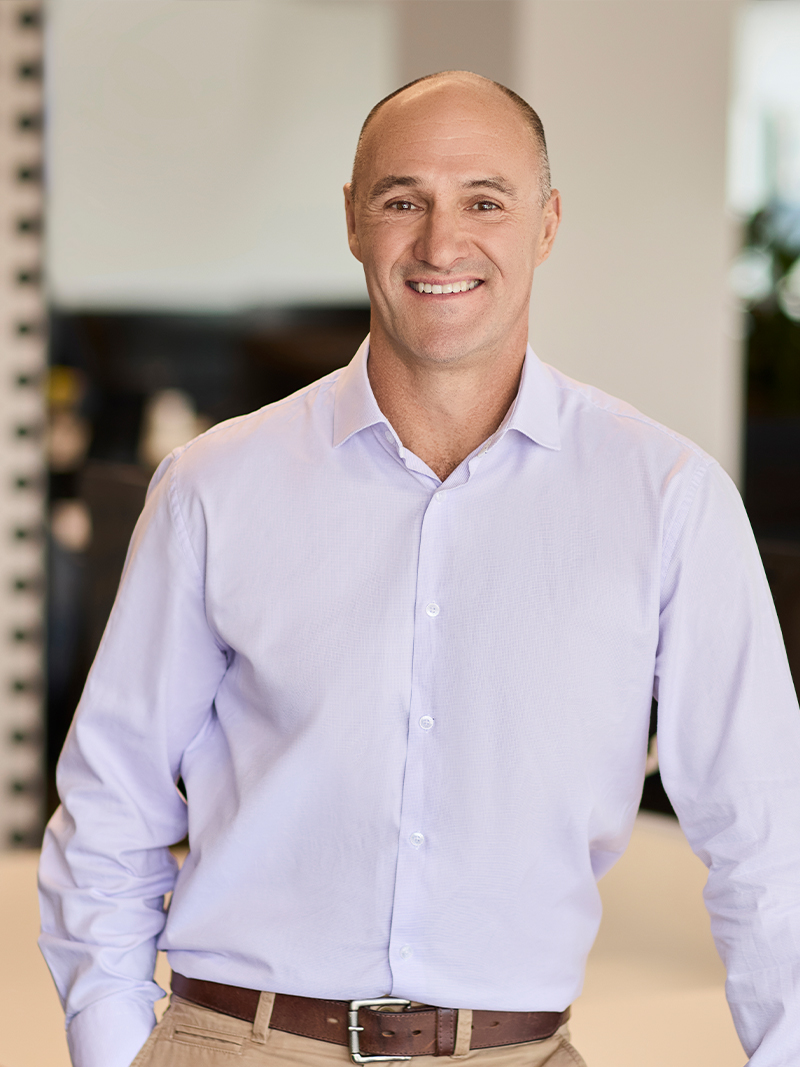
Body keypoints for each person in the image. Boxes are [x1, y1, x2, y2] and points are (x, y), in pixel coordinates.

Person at [39, 70, 800, 1067]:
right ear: (353, 220)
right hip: (235, 1039)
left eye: (484, 201)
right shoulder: (213, 485)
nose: (441, 243)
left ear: (546, 222)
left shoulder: (666, 497)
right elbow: (112, 802)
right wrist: (113, 1043)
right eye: (403, 201)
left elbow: (763, 831)